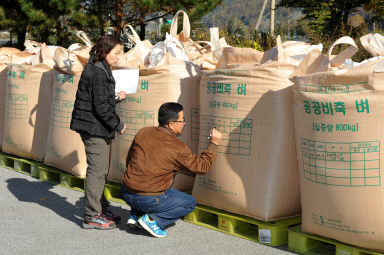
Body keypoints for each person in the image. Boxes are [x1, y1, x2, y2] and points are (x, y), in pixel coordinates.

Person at [121, 102, 222, 238]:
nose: (184, 123)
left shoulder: (143, 132)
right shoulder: (176, 147)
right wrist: (214, 144)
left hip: (126, 192)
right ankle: (153, 220)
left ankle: (135, 214)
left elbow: (130, 160)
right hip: (148, 199)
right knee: (189, 203)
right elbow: (202, 167)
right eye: (182, 120)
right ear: (171, 124)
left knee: (160, 187)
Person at [70, 35, 127, 230]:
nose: (119, 57)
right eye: (116, 52)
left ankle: (99, 209)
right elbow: (100, 106)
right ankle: (91, 216)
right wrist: (117, 125)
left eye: (120, 53)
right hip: (93, 127)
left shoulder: (98, 67)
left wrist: (115, 98)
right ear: (105, 50)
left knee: (100, 170)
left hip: (94, 125)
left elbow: (98, 99)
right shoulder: (97, 71)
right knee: (97, 171)